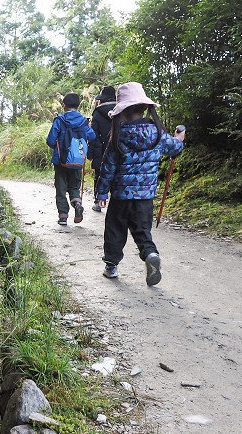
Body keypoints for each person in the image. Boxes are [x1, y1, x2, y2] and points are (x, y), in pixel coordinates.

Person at [95, 81, 185, 286]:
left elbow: (108, 166)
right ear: (145, 108)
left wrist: (101, 193)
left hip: (120, 196)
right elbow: (175, 148)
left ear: (122, 111)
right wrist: (180, 138)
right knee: (142, 230)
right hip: (145, 197)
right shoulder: (158, 132)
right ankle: (150, 254)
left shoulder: (119, 134)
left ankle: (111, 267)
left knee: (115, 230)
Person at [46, 92, 96, 225]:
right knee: (75, 186)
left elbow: (50, 141)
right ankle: (77, 204)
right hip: (78, 160)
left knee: (61, 188)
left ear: (64, 105)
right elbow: (92, 137)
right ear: (78, 105)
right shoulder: (84, 121)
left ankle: (63, 216)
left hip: (61, 161)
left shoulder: (59, 120)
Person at [89, 85, 116, 213]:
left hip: (101, 149)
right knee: (116, 175)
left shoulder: (97, 112)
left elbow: (93, 135)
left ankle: (98, 202)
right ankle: (115, 203)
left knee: (99, 175)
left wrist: (90, 153)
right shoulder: (122, 110)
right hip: (117, 148)